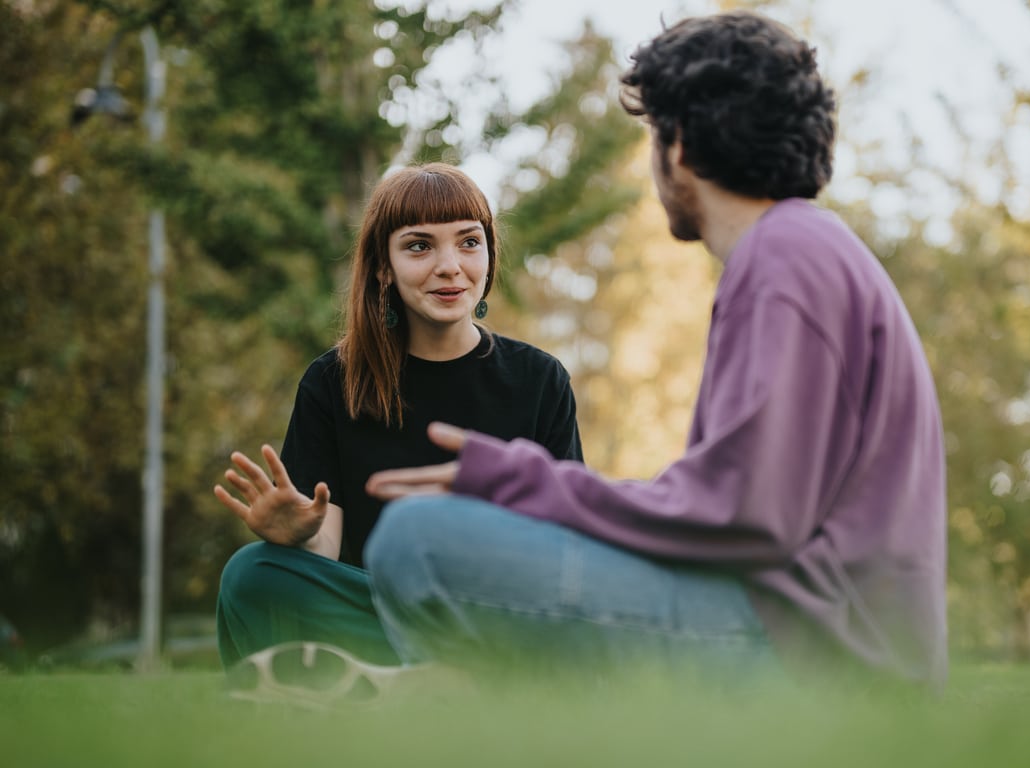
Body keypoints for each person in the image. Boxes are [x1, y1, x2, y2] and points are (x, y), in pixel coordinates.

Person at [355, 11, 948, 690]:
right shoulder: (811, 248)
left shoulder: (784, 258)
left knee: (418, 541)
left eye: (653, 137)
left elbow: (744, 515)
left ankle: (460, 726)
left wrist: (520, 482)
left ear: (680, 146)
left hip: (812, 656)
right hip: (824, 638)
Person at [213, 163, 584, 671]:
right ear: (383, 266)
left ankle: (440, 685)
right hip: (381, 620)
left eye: (469, 242)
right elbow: (327, 547)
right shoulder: (332, 383)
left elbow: (566, 548)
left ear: (489, 256)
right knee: (251, 574)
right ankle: (426, 684)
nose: (451, 265)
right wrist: (300, 538)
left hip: (498, 621)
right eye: (419, 246)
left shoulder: (542, 381)